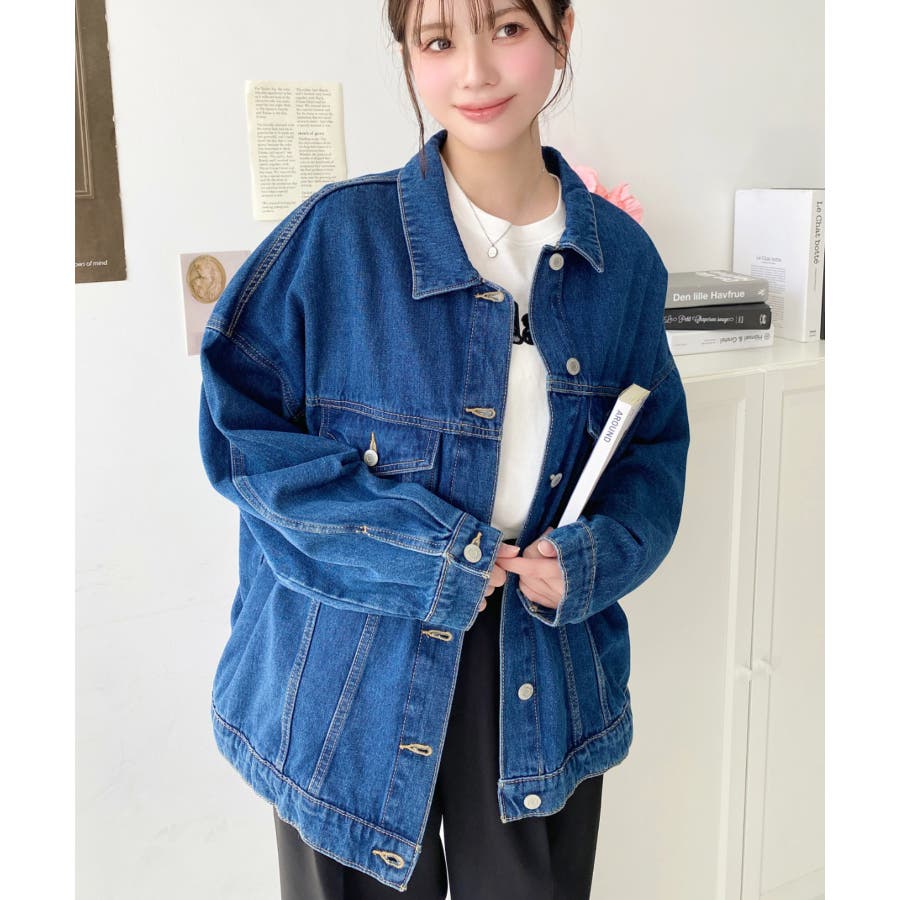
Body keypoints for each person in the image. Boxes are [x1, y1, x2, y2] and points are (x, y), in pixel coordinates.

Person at [197, 0, 690, 897]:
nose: (474, 72)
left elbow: (652, 456)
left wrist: (590, 562)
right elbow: (244, 439)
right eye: (438, 40)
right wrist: (428, 555)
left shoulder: (622, 262)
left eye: (507, 28)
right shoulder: (336, 238)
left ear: (562, 32)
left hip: (540, 668)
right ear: (409, 55)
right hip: (348, 679)